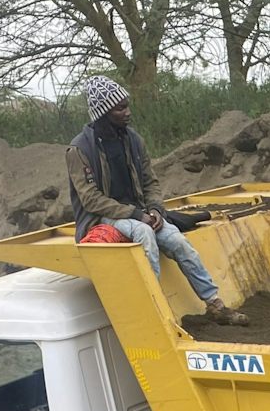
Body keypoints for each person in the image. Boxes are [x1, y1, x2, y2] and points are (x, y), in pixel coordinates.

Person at [67, 76, 245, 325]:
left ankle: (216, 305)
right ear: (104, 112)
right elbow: (91, 200)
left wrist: (155, 209)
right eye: (120, 108)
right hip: (103, 217)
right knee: (144, 234)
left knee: (178, 242)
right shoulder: (79, 150)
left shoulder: (134, 141)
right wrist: (136, 215)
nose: (128, 112)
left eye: (127, 105)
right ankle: (155, 311)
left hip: (139, 211)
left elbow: (150, 182)